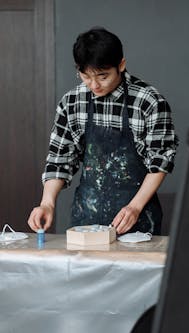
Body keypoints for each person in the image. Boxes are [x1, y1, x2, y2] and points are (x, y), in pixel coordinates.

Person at [27, 27, 178, 235]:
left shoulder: (148, 101)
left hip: (138, 218)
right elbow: (59, 158)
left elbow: (160, 162)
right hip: (87, 218)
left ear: (121, 65)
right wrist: (47, 203)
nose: (94, 85)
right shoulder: (72, 102)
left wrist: (134, 207)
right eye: (85, 76)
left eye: (102, 76)